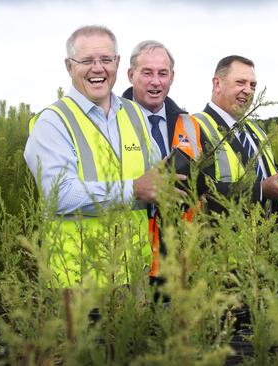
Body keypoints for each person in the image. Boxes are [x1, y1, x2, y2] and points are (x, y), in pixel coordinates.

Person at [24, 25, 165, 287]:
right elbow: (59, 195)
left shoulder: (135, 115)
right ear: (69, 66)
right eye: (87, 60)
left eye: (106, 60)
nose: (97, 68)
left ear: (118, 63)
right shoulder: (53, 122)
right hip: (78, 281)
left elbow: (154, 179)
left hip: (134, 273)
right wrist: (133, 189)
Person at [122, 40, 204, 281]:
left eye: (162, 73)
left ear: (172, 77)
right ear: (130, 75)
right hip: (131, 260)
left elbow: (205, 185)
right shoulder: (110, 122)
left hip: (182, 259)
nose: (155, 82)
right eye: (147, 73)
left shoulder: (190, 125)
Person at [194, 55, 278, 228]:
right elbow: (200, 190)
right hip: (225, 246)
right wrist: (260, 191)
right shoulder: (195, 126)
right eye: (240, 82)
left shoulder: (256, 130)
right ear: (217, 84)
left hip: (270, 244)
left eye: (253, 85)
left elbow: (272, 176)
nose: (248, 90)